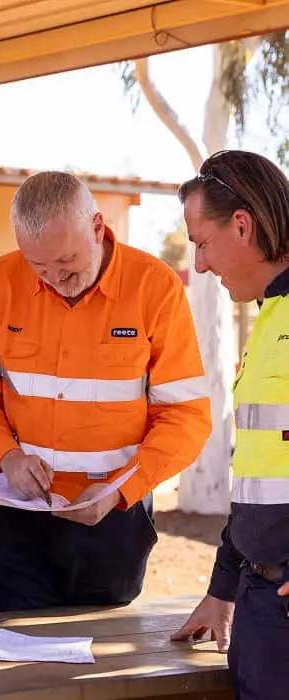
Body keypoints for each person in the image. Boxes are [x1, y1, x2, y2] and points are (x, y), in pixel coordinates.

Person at [0, 171, 212, 613]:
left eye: (67, 261)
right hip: (15, 521)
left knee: (93, 664)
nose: (54, 277)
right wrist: (8, 457)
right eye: (38, 266)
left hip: (112, 521)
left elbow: (185, 416)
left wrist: (119, 492)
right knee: (9, 663)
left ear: (97, 227)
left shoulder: (156, 288)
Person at [171, 150, 289, 700]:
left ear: (242, 225)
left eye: (202, 243)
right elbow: (259, 481)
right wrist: (224, 589)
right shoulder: (269, 318)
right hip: (258, 600)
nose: (198, 264)